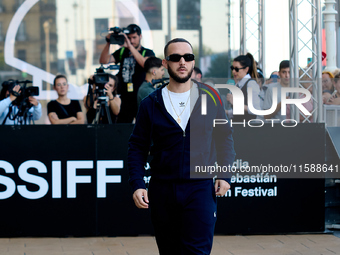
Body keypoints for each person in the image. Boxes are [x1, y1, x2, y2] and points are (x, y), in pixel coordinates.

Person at [128, 38, 235, 255]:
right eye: (176, 58)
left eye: (188, 57)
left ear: (193, 62)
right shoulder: (151, 103)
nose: (182, 62)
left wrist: (225, 174)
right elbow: (137, 147)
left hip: (200, 189)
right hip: (163, 190)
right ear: (166, 64)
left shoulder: (211, 97)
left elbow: (225, 138)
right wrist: (137, 183)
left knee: (197, 252)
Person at [99, 24, 155, 123]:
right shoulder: (122, 52)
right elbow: (104, 60)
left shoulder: (147, 52)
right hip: (124, 97)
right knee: (123, 127)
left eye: (134, 37)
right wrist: (109, 42)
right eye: (129, 38)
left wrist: (130, 46)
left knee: (143, 126)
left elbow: (145, 64)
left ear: (140, 36)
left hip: (140, 96)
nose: (131, 41)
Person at [226, 52, 261, 122]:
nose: (233, 71)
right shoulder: (238, 85)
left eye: (237, 69)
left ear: (246, 69)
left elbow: (256, 110)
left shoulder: (251, 84)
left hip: (249, 129)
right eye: (232, 68)